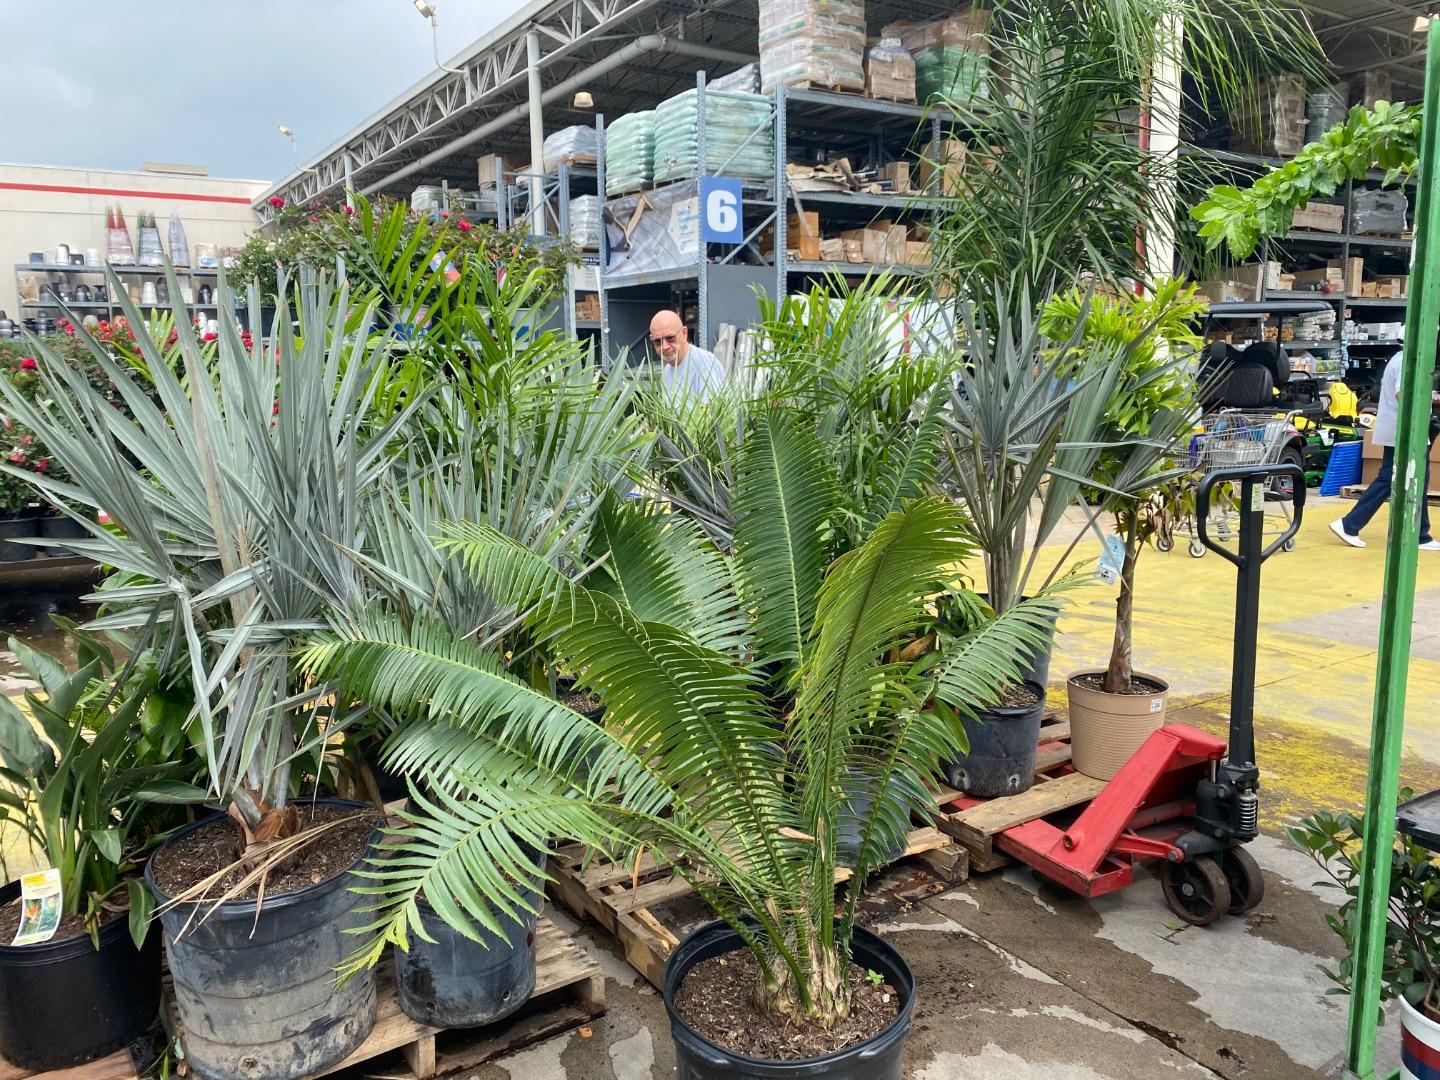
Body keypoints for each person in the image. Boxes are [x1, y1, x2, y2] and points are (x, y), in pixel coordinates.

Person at [1330, 346, 1440, 551]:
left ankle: (1420, 534)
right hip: (1405, 431)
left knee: (1413, 478)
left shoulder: (1400, 358)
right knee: (1392, 478)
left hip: (1400, 430)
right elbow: (1402, 393)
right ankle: (1349, 524)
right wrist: (1427, 400)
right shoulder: (1406, 361)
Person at [649, 309, 725, 406]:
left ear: (684, 333)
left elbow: (711, 411)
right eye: (657, 341)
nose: (664, 346)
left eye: (670, 338)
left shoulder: (704, 364)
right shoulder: (667, 371)